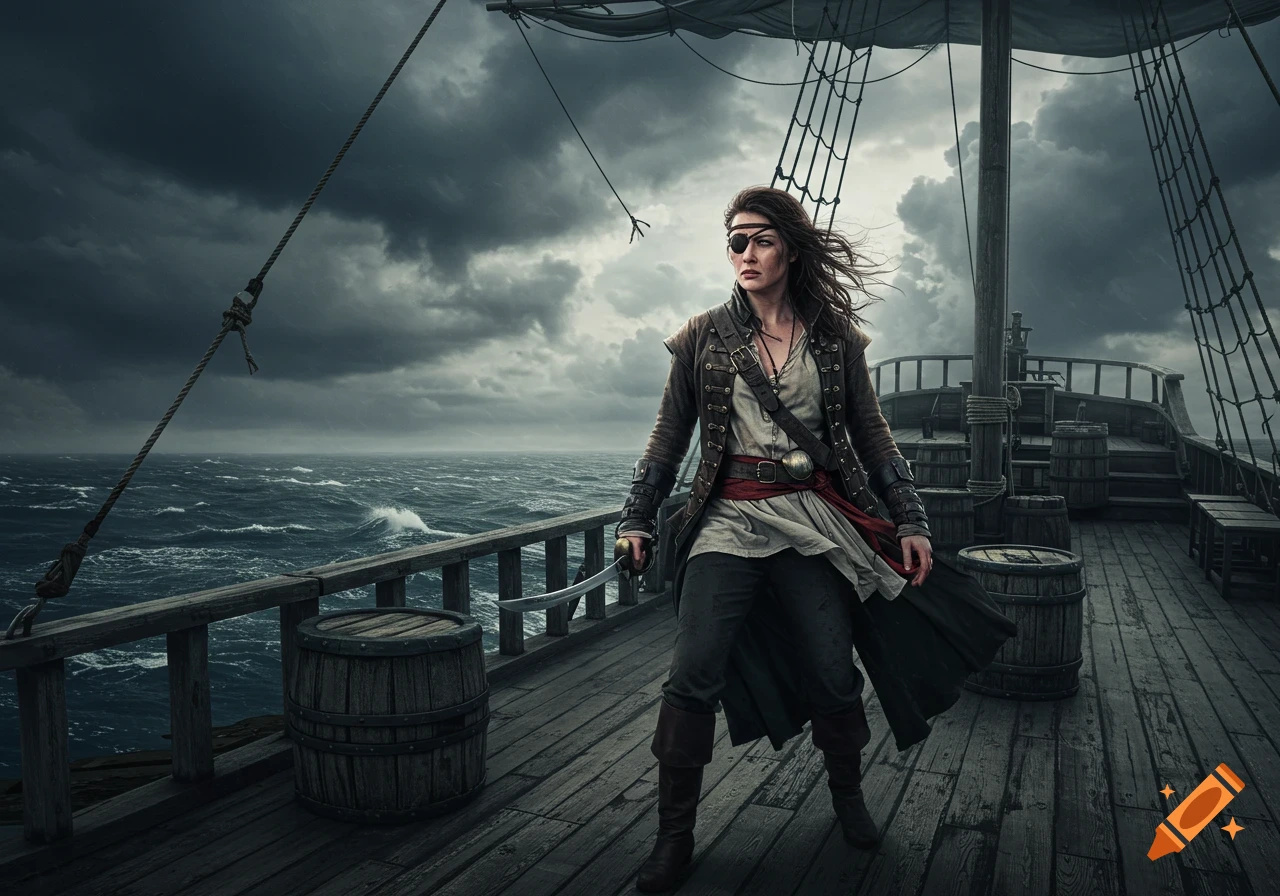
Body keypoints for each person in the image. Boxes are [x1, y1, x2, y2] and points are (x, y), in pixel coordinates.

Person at [615, 186, 1018, 893]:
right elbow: (668, 436)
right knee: (692, 673)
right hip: (727, 522)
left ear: (790, 250)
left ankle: (847, 798)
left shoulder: (835, 342)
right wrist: (638, 514)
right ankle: (673, 839)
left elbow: (871, 434)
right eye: (734, 240)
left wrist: (911, 517)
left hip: (813, 523)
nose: (744, 253)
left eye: (759, 240)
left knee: (834, 672)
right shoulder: (702, 337)